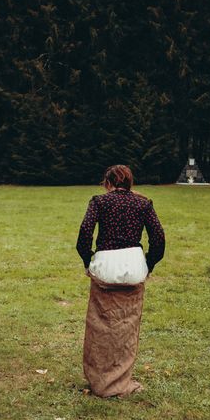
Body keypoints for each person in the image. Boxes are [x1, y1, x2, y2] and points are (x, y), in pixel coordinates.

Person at [76, 164, 165, 397]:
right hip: (134, 265)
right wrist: (149, 264)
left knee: (101, 323)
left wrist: (88, 261)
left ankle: (99, 378)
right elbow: (158, 237)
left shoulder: (99, 201)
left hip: (105, 265)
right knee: (128, 324)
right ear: (129, 183)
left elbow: (85, 233)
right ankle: (121, 378)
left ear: (108, 183)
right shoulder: (143, 203)